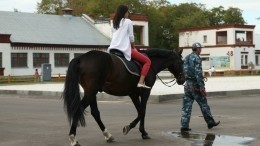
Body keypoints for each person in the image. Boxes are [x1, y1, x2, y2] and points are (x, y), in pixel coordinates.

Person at [108, 4, 151, 89]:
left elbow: (114, 36)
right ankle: (141, 82)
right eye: (127, 11)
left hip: (112, 48)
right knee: (147, 61)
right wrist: (133, 47)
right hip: (123, 49)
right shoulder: (128, 21)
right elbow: (131, 37)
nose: (128, 13)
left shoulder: (113, 22)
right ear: (124, 12)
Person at [181, 42, 220, 132]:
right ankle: (210, 122)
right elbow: (198, 73)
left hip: (187, 84)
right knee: (203, 104)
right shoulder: (197, 58)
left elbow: (184, 70)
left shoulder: (187, 57)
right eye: (200, 48)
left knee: (186, 106)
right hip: (195, 85)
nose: (201, 49)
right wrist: (202, 87)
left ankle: (184, 125)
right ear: (197, 49)